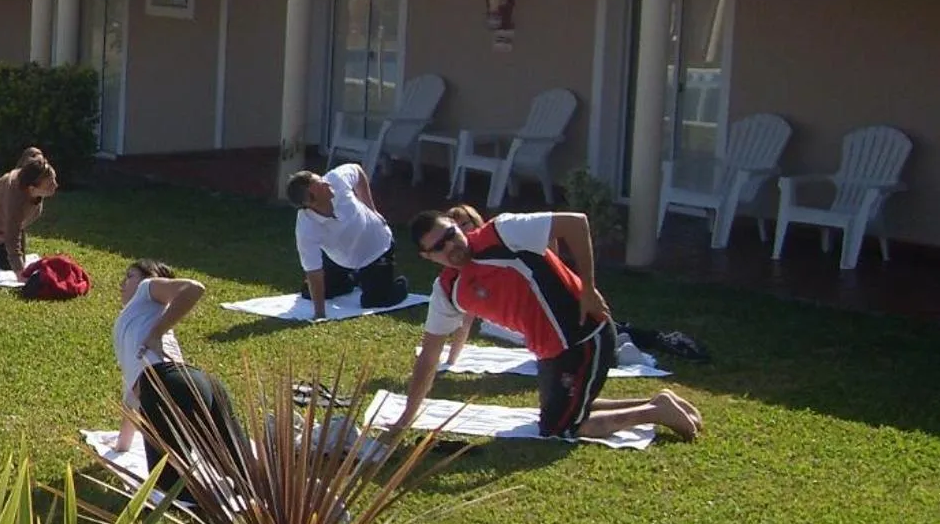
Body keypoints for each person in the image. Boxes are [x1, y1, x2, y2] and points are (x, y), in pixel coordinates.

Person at [386, 209, 702, 443]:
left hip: (583, 336)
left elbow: (575, 223)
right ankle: (656, 402)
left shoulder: (502, 233)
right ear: (427, 256)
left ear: (458, 227)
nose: (450, 246)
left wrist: (589, 289)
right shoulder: (448, 290)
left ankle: (655, 413)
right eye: (439, 247)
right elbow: (428, 357)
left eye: (450, 234)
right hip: (549, 350)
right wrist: (406, 418)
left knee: (559, 428)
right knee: (563, 408)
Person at [111, 259, 250, 490]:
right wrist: (120, 447)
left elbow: (194, 288)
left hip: (168, 385)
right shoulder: (136, 319)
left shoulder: (148, 289)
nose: (122, 283)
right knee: (246, 474)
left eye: (130, 276)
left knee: (171, 492)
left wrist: (156, 333)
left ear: (152, 276)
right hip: (198, 383)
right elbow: (133, 398)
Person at [285, 164, 410, 318]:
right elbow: (313, 270)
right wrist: (320, 314)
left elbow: (357, 170)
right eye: (320, 185)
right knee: (309, 292)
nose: (326, 183)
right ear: (311, 202)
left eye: (322, 179)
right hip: (340, 259)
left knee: (374, 300)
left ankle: (400, 283)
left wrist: (371, 208)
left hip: (376, 249)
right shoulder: (306, 227)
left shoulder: (336, 179)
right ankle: (354, 279)